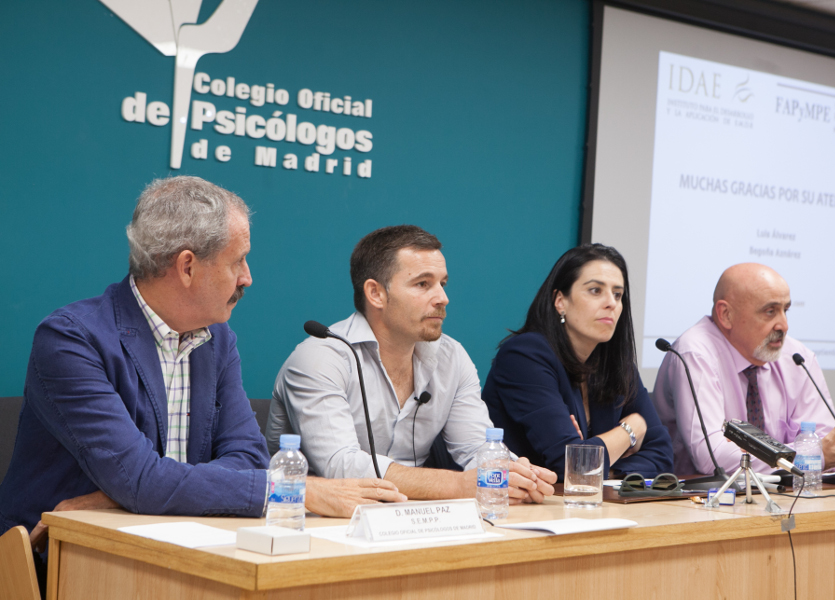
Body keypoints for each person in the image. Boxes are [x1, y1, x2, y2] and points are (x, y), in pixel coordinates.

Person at [0, 176, 405, 557]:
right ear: (188, 267)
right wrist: (298, 490)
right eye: (238, 261)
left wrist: (124, 493)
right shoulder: (72, 339)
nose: (248, 277)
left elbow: (246, 458)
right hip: (58, 558)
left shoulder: (216, 337)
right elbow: (140, 480)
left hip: (178, 544)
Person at [267, 225, 557, 501]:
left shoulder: (451, 357)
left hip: (412, 517)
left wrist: (517, 475)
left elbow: (476, 449)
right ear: (376, 293)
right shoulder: (320, 357)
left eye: (442, 284)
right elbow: (340, 465)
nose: (443, 298)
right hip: (317, 524)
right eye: (423, 283)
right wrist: (458, 484)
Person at [653, 263, 835, 475]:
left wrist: (823, 455)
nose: (784, 325)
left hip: (781, 495)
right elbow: (711, 456)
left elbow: (827, 443)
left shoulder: (798, 358)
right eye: (770, 311)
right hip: (699, 503)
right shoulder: (696, 353)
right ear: (726, 315)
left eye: (785, 310)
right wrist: (804, 457)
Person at [482, 244, 673, 480]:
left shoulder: (615, 364)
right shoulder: (524, 356)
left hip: (588, 508)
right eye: (595, 290)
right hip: (518, 506)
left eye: (617, 294)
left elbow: (663, 455)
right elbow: (571, 464)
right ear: (560, 301)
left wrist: (605, 469)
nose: (611, 303)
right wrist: (631, 429)